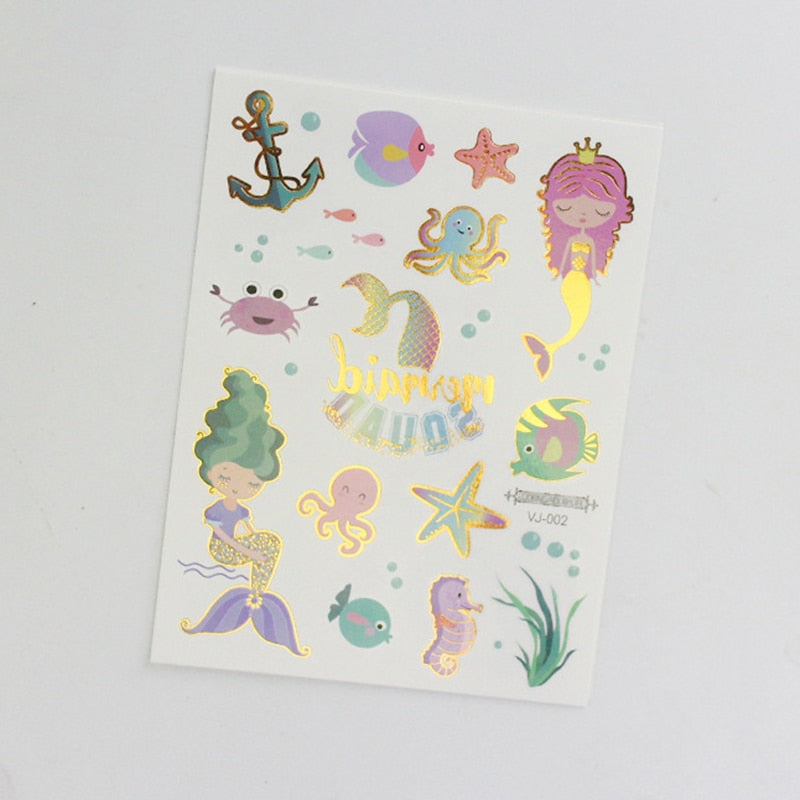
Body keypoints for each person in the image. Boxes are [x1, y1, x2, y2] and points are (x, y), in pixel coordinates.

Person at [523, 138, 633, 380]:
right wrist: (557, 275)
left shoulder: (593, 241)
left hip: (582, 280)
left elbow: (594, 259)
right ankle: (552, 346)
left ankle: (554, 348)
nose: (583, 214)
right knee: (566, 313)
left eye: (601, 210)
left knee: (579, 316)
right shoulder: (569, 240)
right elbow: (564, 258)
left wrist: (596, 276)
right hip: (570, 278)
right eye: (566, 208)